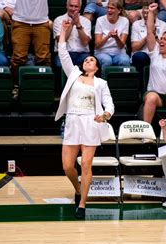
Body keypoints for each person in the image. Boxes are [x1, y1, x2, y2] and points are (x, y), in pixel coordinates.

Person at [55, 20, 114, 219]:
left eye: (91, 60)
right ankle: (78, 188)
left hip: (91, 122)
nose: (87, 61)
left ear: (96, 68)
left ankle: (82, 204)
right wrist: (63, 31)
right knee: (67, 166)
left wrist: (105, 115)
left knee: (86, 165)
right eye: (86, 59)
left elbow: (110, 105)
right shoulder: (73, 74)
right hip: (72, 120)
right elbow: (63, 52)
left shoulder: (101, 83)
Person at [10, 0, 51, 83]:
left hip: (41, 22)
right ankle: (16, 85)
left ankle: (44, 86)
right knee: (18, 57)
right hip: (20, 22)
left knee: (43, 58)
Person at [53, 0, 91, 83]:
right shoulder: (59, 20)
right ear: (66, 6)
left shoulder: (86, 21)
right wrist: (72, 24)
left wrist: (78, 25)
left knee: (89, 66)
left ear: (80, 8)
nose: (73, 8)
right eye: (71, 6)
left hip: (82, 54)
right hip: (64, 53)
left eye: (76, 6)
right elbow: (61, 41)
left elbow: (85, 42)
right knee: (60, 65)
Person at [130, 4, 166, 80]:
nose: (145, 15)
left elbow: (165, 45)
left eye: (148, 13)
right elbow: (134, 47)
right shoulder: (136, 24)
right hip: (142, 54)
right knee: (139, 57)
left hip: (158, 53)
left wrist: (154, 35)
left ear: (156, 14)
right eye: (144, 13)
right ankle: (141, 86)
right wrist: (148, 34)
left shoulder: (163, 25)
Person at [94, 0, 130, 68]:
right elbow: (97, 46)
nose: (109, 10)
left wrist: (116, 37)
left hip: (119, 53)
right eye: (108, 7)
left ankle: (122, 79)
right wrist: (107, 36)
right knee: (107, 60)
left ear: (119, 11)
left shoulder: (125, 21)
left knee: (125, 60)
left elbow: (121, 46)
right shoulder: (100, 20)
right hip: (102, 52)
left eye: (112, 8)